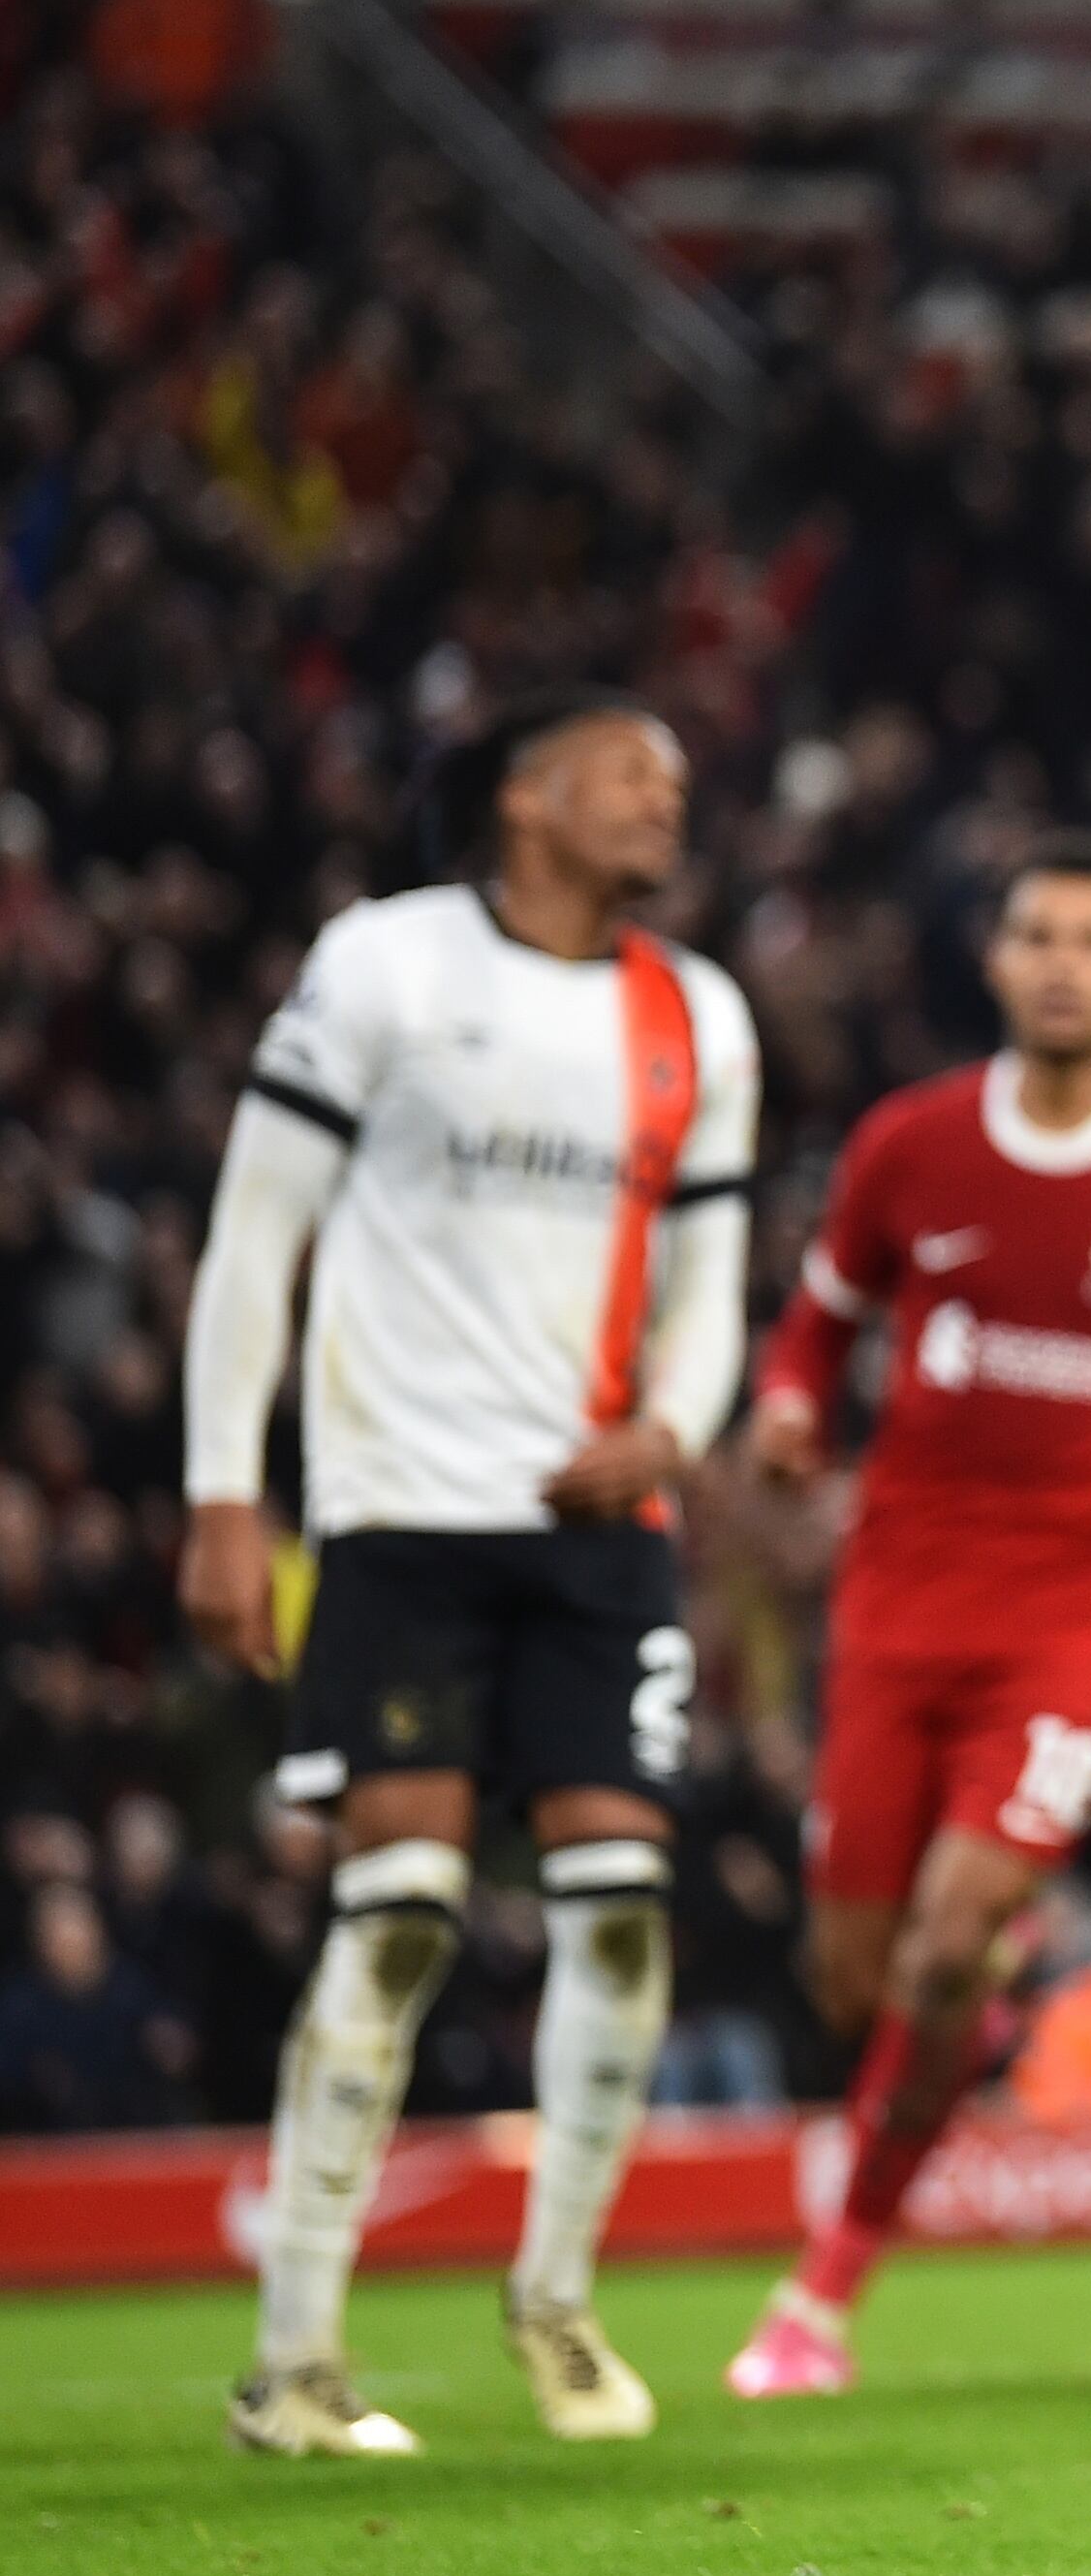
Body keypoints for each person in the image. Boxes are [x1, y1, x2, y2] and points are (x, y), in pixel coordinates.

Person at [181, 688, 762, 2456]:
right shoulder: (385, 966)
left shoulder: (699, 1015)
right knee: (407, 1904)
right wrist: (223, 1491)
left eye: (676, 778)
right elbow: (254, 1231)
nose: (663, 802)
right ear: (523, 795)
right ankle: (294, 2357)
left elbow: (708, 1279)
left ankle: (559, 2301)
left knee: (621, 1901)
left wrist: (672, 1430)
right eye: (625, 773)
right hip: (401, 1509)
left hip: (597, 1529)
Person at [722, 833, 1091, 2398]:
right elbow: (813, 1330)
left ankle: (823, 2291)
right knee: (855, 1976)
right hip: (898, 1597)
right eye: (1038, 932)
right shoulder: (908, 1147)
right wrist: (787, 1413)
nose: (1063, 960)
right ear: (997, 959)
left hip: (1076, 1612)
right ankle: (976, 1991)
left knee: (937, 1944)